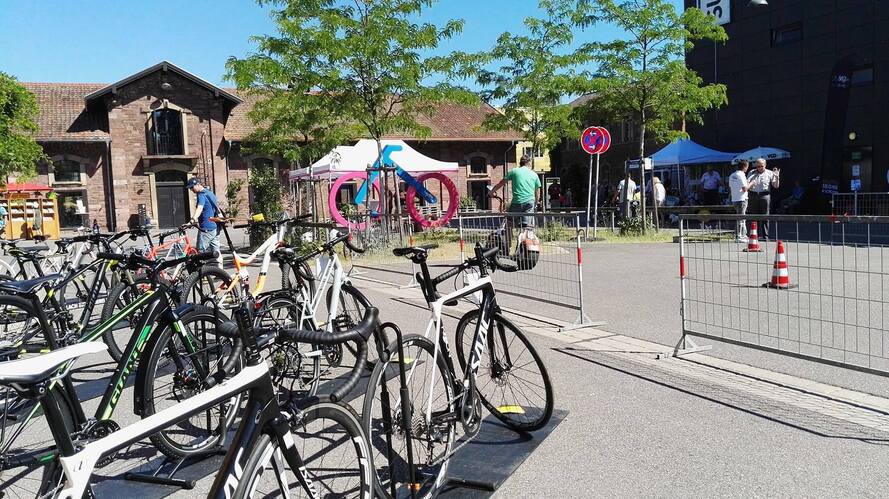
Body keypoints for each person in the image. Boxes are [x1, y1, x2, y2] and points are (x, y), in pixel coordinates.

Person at [489, 155, 541, 228]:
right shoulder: (534, 174)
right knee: (527, 225)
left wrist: (492, 191)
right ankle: (527, 237)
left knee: (509, 222)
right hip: (530, 202)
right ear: (529, 163)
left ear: (520, 162)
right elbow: (537, 191)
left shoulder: (514, 171)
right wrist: (536, 202)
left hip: (518, 202)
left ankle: (508, 238)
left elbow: (501, 183)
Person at [187, 177, 222, 263]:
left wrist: (192, 220)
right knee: (216, 251)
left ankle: (201, 274)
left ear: (198, 184)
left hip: (205, 228)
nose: (191, 190)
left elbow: (200, 208)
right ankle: (220, 272)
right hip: (215, 227)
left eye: (192, 187)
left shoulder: (201, 195)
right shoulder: (210, 193)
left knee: (200, 252)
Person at [746, 158, 780, 238]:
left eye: (761, 166)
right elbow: (746, 183)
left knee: (765, 216)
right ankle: (755, 235)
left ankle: (765, 236)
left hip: (765, 195)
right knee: (754, 216)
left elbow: (776, 186)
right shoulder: (752, 172)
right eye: (757, 166)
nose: (759, 168)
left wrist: (777, 177)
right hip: (753, 195)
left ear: (765, 165)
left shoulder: (770, 173)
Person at [729, 160, 752, 242]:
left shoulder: (732, 175)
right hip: (742, 199)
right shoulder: (741, 175)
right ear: (745, 167)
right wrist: (752, 183)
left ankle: (742, 235)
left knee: (740, 217)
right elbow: (744, 188)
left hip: (734, 198)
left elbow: (732, 186)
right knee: (741, 218)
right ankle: (739, 236)